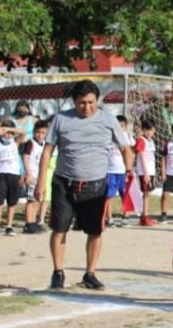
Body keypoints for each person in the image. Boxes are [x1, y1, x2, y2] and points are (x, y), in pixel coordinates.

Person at [35, 79, 134, 290]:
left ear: (97, 100)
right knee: (59, 229)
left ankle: (90, 273)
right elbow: (47, 151)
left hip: (95, 186)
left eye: (91, 102)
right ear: (74, 101)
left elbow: (126, 149)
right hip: (64, 182)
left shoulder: (108, 120)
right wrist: (40, 184)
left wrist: (128, 171)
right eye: (82, 103)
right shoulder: (61, 119)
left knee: (95, 231)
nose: (87, 107)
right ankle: (58, 272)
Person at [0, 120, 25, 236]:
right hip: (0, 174)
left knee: (12, 202)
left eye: (10, 133)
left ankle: (9, 226)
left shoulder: (15, 143)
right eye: (5, 132)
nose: (8, 135)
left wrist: (9, 129)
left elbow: (23, 132)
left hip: (14, 174)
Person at [21, 120, 50, 233]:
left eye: (43, 133)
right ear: (34, 132)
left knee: (38, 198)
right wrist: (28, 173)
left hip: (40, 175)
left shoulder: (45, 145)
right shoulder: (30, 143)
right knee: (31, 200)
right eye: (38, 132)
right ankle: (28, 223)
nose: (40, 135)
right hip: (32, 175)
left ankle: (33, 221)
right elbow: (25, 157)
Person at [104, 115, 132, 228]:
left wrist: (129, 169)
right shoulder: (107, 137)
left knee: (125, 194)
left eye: (122, 126)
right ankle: (109, 218)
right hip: (109, 171)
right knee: (109, 195)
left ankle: (126, 217)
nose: (119, 129)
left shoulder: (126, 137)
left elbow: (131, 152)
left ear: (125, 127)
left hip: (122, 171)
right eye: (117, 126)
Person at [134, 120, 158, 226]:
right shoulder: (141, 140)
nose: (149, 132)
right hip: (144, 171)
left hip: (150, 170)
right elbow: (142, 156)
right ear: (143, 130)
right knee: (146, 193)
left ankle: (146, 215)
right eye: (146, 129)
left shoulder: (151, 141)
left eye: (151, 129)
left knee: (147, 193)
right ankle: (145, 216)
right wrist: (146, 173)